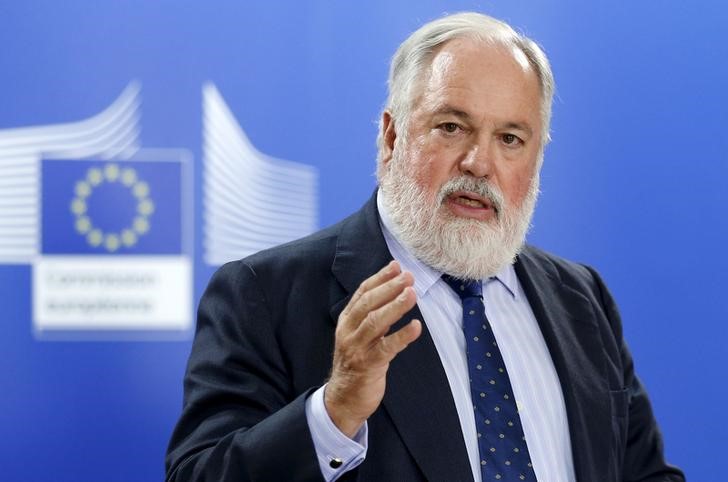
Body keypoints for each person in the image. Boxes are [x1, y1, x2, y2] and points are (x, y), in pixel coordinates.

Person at [166, 12, 684, 482]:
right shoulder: (265, 294)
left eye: (510, 139)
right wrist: (335, 410)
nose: (479, 164)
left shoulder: (581, 298)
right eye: (452, 127)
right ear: (391, 136)